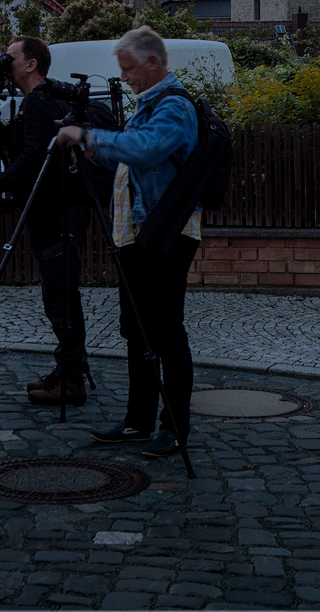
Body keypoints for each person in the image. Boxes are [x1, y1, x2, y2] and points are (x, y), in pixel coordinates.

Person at [55, 25, 200, 460]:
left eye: (130, 69)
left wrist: (88, 137)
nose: (125, 78)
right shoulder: (148, 104)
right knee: (137, 331)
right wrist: (95, 151)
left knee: (166, 334)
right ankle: (139, 421)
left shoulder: (174, 107)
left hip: (165, 236)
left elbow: (146, 150)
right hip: (138, 235)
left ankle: (174, 430)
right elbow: (130, 157)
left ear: (154, 63)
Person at [0, 35, 91, 406]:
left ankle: (71, 381)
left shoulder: (41, 101)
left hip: (55, 214)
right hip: (57, 212)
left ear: (31, 64)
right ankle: (68, 372)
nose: (3, 62)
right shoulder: (36, 102)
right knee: (60, 298)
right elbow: (23, 147)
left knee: (60, 301)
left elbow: (33, 159)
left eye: (10, 57)